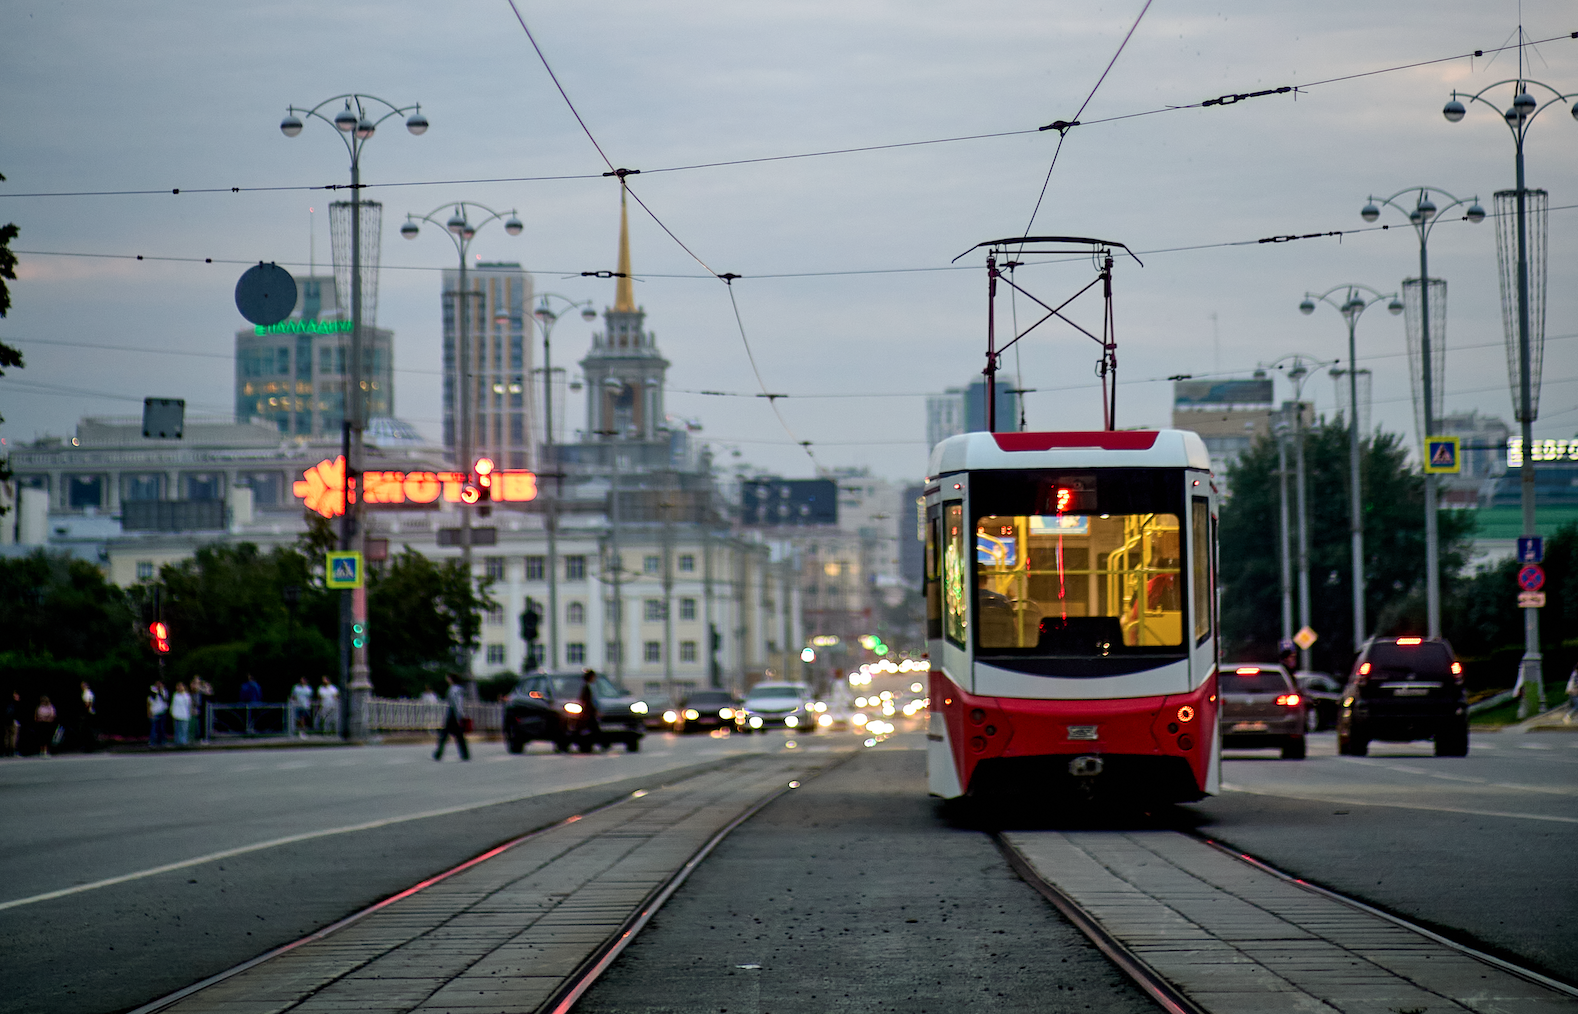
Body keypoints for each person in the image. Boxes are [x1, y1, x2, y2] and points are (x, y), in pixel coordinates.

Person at [434, 673, 470, 761]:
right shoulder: (458, 689)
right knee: (458, 735)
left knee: (445, 734)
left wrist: (459, 715)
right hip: (454, 713)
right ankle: (464, 754)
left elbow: (457, 703)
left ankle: (438, 753)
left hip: (453, 713)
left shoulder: (454, 689)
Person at [574, 668, 603, 752]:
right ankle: (602, 744)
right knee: (594, 730)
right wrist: (594, 711)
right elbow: (587, 701)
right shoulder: (587, 687)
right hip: (588, 713)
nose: (594, 679)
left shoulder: (587, 686)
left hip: (587, 713)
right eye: (594, 677)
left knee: (589, 730)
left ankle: (591, 745)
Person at [189, 675, 212, 743]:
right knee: (194, 725)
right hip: (194, 709)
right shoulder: (193, 689)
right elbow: (193, 690)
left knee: (202, 723)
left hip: (202, 709)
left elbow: (209, 692)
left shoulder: (203, 687)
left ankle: (203, 737)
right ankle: (193, 738)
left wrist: (205, 686)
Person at [148, 681, 169, 748]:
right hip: (154, 712)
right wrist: (149, 713)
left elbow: (165, 699)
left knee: (162, 728)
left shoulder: (164, 691)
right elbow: (149, 702)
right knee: (154, 728)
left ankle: (162, 742)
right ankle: (152, 742)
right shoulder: (152, 691)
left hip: (162, 712)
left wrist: (161, 692)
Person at [79, 680, 98, 752]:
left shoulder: (87, 693)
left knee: (86, 730)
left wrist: (85, 711)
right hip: (88, 712)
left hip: (89, 713)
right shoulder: (86, 693)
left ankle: (89, 746)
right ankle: (88, 745)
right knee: (86, 730)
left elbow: (88, 703)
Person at [4, 691, 20, 757]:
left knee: (7, 737)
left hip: (7, 721)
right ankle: (13, 751)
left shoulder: (7, 703)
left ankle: (7, 752)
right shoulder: (15, 704)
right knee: (13, 737)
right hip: (13, 721)